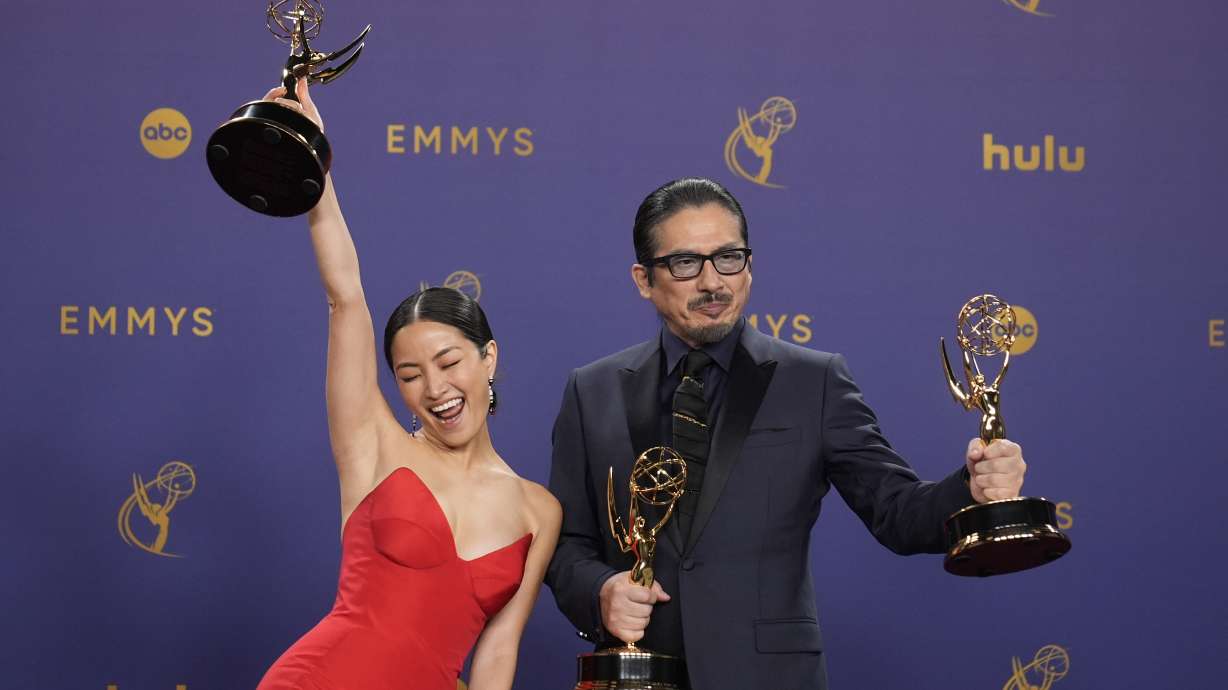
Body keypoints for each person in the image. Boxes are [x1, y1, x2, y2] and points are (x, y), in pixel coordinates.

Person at [544, 178, 1026, 689]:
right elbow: (566, 543)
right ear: (644, 279)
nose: (713, 282)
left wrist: (971, 490)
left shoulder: (814, 381)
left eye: (729, 257)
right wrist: (600, 592)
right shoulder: (591, 390)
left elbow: (898, 513)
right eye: (686, 263)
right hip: (638, 676)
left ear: (749, 264)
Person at [255, 78, 561, 690]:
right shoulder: (375, 447)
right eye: (410, 374)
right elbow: (346, 298)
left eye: (450, 363)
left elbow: (497, 656)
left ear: (489, 359)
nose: (436, 388)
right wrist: (311, 157)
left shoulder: (538, 509)